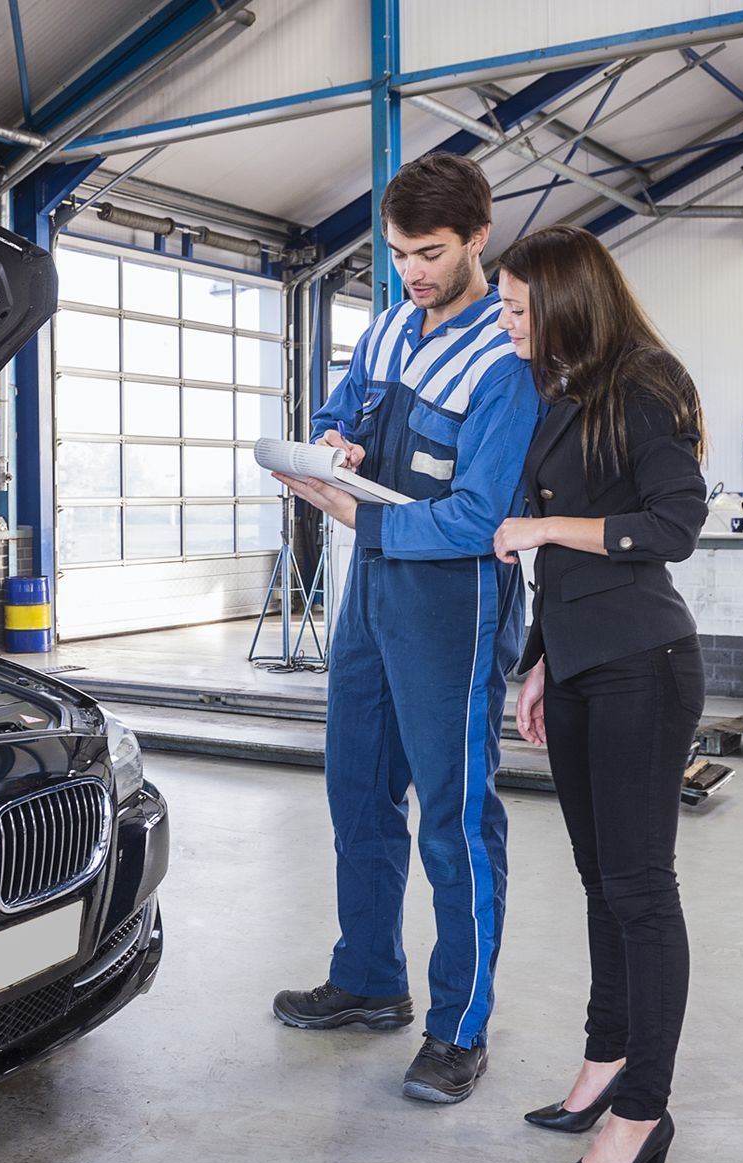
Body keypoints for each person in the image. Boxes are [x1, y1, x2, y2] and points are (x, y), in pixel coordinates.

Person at [270, 153, 540, 1106]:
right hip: (371, 594)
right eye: (396, 256)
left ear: (478, 236)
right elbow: (343, 412)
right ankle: (368, 977)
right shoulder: (383, 330)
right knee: (356, 790)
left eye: (429, 253)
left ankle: (459, 1026)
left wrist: (354, 517)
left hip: (454, 606)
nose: (412, 273)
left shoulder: (507, 361)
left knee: (456, 819)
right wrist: (329, 442)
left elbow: (476, 516)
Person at [488, 224, 708, 1163]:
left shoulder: (648, 383)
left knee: (640, 889)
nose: (505, 321)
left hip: (642, 664)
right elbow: (563, 568)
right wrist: (539, 660)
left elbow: (674, 524)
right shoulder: (561, 394)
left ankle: (644, 1107)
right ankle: (603, 1061)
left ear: (568, 301)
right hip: (578, 661)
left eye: (516, 306)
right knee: (598, 882)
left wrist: (536, 524)